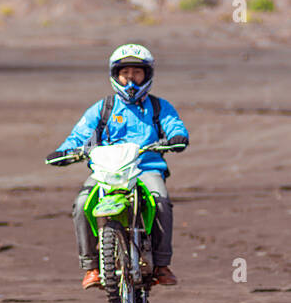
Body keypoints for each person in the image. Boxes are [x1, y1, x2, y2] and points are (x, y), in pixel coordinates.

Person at [46, 44, 189, 289]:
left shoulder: (158, 107)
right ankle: (91, 266)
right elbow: (79, 136)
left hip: (146, 169)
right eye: (125, 73)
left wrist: (177, 137)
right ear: (116, 76)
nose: (131, 79)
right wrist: (65, 151)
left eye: (137, 73)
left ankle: (162, 265)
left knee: (161, 201)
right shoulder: (103, 108)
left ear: (147, 75)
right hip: (106, 172)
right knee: (82, 204)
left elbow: (174, 125)